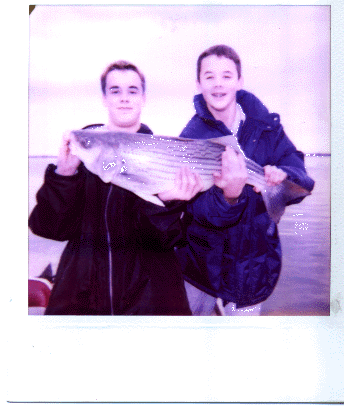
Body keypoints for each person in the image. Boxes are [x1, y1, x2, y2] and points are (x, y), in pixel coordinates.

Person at [29, 60, 203, 315]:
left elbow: (167, 241)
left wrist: (168, 202)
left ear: (143, 98)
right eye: (115, 91)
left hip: (150, 301)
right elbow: (48, 228)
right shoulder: (80, 157)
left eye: (132, 91)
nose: (124, 98)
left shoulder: (166, 158)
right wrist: (64, 174)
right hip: (83, 299)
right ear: (104, 98)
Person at [176, 45, 315, 316]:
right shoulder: (190, 137)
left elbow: (302, 180)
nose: (218, 84)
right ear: (198, 83)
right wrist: (229, 196)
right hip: (200, 266)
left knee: (243, 351)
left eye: (227, 76)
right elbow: (194, 209)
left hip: (252, 267)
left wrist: (285, 174)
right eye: (209, 76)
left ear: (239, 81)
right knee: (192, 344)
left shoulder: (267, 127)